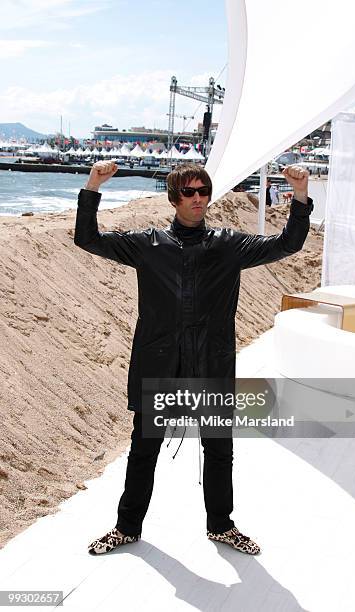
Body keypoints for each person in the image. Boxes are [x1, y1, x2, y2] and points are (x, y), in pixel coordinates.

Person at [74, 161, 313, 556]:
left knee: (219, 450)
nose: (198, 197)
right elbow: (87, 238)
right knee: (144, 448)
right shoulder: (146, 245)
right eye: (189, 192)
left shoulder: (228, 244)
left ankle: (221, 525)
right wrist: (94, 184)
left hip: (211, 364)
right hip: (160, 364)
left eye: (203, 190)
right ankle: (127, 527)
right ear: (174, 198)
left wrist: (301, 196)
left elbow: (287, 244)